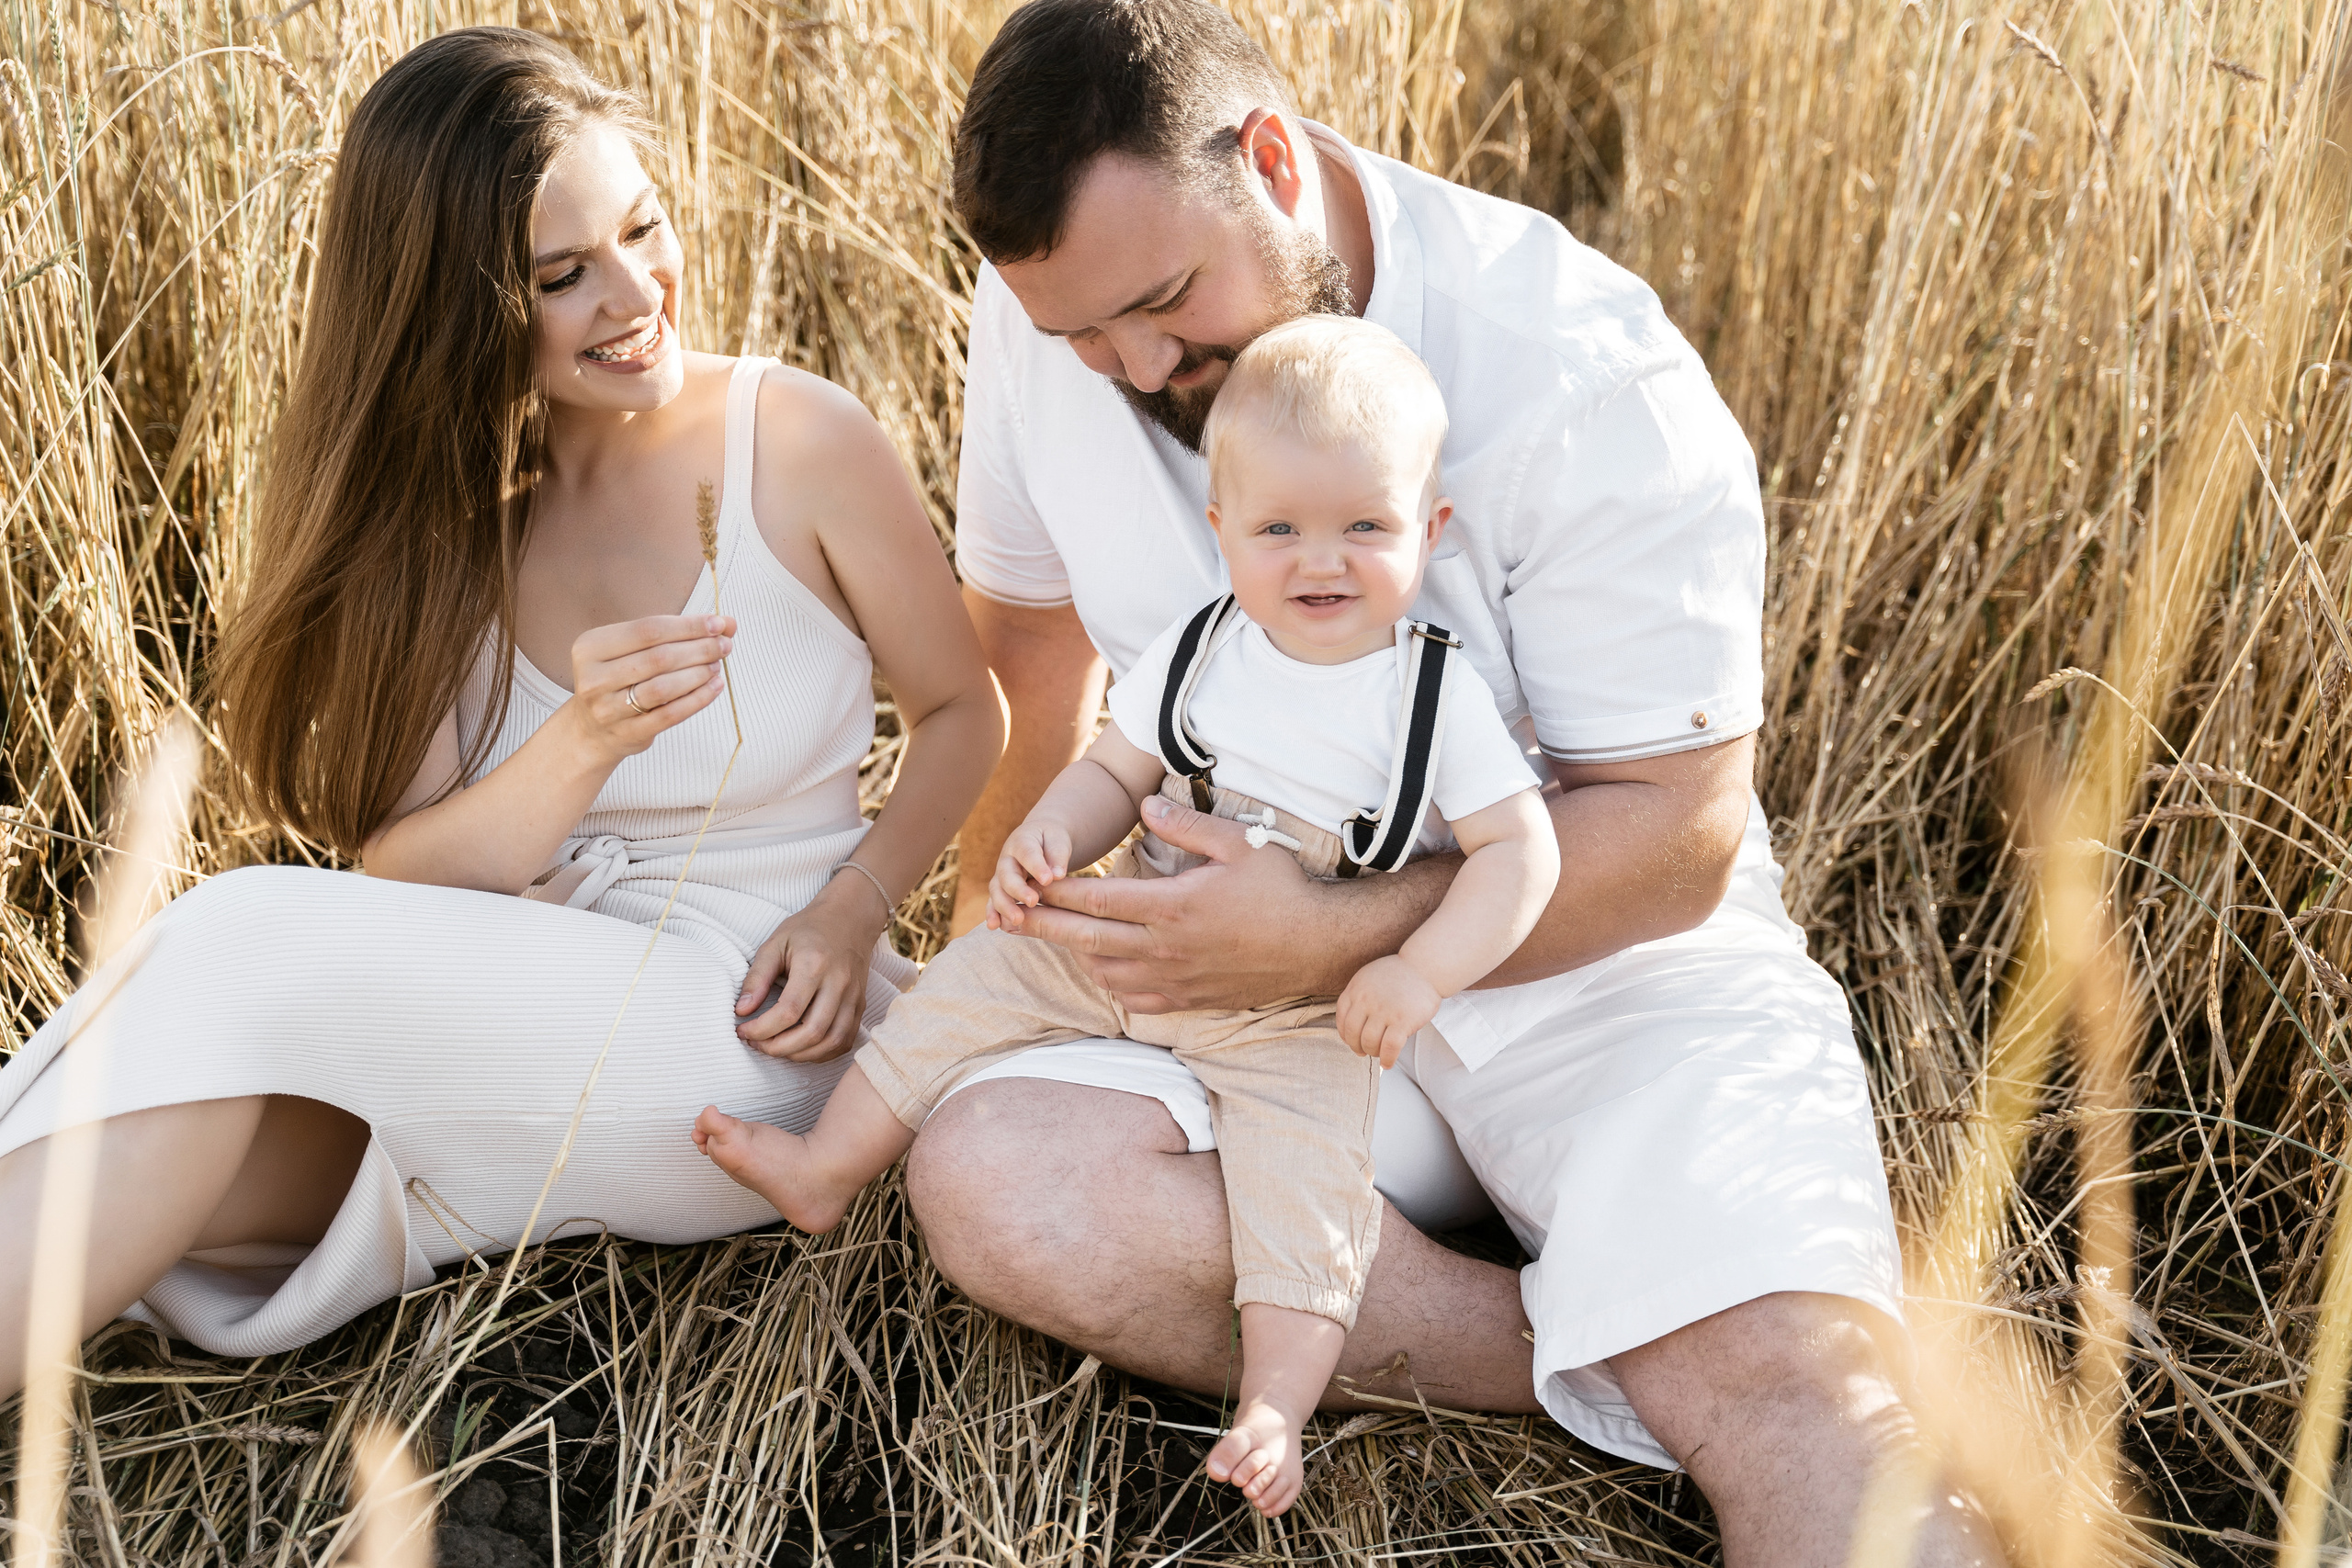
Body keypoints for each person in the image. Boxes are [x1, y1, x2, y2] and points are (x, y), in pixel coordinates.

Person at [900, 2, 2007, 1561]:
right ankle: (1595, 1351)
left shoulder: (1583, 371)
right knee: (1003, 1180)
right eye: (1086, 337)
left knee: (1810, 1421)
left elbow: (1680, 836)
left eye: (1165, 305)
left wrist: (1330, 937)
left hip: (1592, 953)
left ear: (1272, 159)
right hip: (1238, 994)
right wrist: (989, 923)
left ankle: (1722, 1365)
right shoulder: (1060, 309)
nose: (1136, 368)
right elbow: (1029, 641)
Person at [0, 27, 1001, 1397]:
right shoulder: (446, 528)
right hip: (530, 1001)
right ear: (455, 307)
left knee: (228, 936)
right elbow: (407, 875)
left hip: (751, 1028)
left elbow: (963, 710)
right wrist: (580, 742)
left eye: (643, 227)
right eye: (562, 275)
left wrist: (854, 906)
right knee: (186, 1126)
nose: (636, 293)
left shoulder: (798, 440)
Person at [695, 314, 1558, 1517]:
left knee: (1302, 1183)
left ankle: (1277, 1403)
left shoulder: (1430, 698)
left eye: (1365, 527)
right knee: (973, 980)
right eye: (1279, 530)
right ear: (1223, 527)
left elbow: (1521, 854)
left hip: (1296, 1007)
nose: (1320, 562)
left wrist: (1418, 973)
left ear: (1432, 528)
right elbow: (1114, 766)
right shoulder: (1204, 649)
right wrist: (1052, 833)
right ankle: (825, 1166)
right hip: (1140, 936)